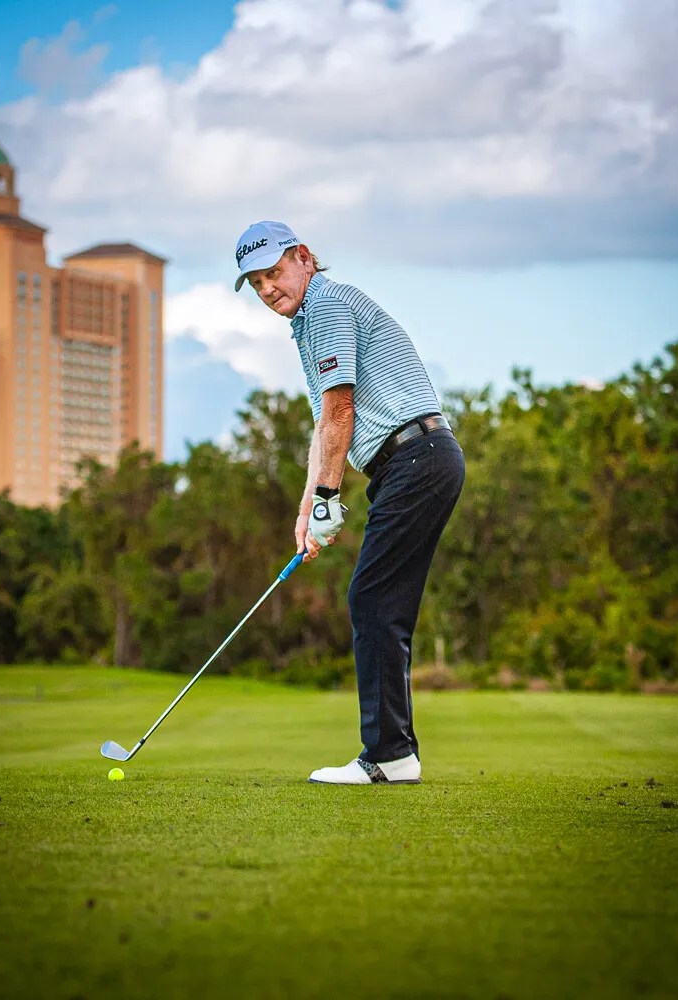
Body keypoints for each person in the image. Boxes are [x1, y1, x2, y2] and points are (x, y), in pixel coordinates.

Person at [234, 220, 465, 785]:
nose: (267, 289)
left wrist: (330, 496)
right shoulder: (308, 323)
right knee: (379, 603)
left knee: (370, 599)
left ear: (304, 258)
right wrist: (308, 507)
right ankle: (395, 753)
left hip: (417, 456)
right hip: (410, 465)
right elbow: (323, 426)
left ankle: (389, 755)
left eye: (273, 273)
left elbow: (343, 410)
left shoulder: (330, 304)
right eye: (256, 282)